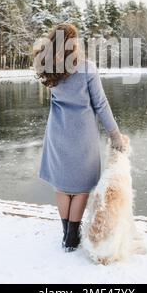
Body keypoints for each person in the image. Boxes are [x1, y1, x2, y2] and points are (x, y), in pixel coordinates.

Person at [33, 23, 125, 252]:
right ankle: (73, 234)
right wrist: (115, 134)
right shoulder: (86, 68)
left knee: (63, 186)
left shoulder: (47, 67)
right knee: (82, 187)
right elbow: (100, 104)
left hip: (57, 132)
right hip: (82, 136)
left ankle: (66, 234)